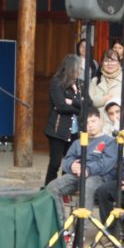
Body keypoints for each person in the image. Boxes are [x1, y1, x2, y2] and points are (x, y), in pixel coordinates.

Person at [45, 107, 117, 210]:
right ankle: (61, 223)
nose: (90, 125)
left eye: (93, 121)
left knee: (86, 186)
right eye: (87, 123)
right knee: (52, 187)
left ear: (101, 121)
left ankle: (83, 224)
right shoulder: (78, 142)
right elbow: (67, 159)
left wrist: (87, 169)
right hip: (77, 176)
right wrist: (71, 165)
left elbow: (107, 163)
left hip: (99, 176)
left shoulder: (109, 141)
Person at [43, 54, 84, 186]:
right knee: (55, 163)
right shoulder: (57, 82)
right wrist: (79, 108)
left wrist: (72, 101)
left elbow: (88, 103)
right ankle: (48, 190)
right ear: (72, 68)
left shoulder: (79, 84)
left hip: (74, 130)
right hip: (57, 129)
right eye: (79, 68)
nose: (80, 71)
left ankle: (63, 190)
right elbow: (60, 106)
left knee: (69, 163)